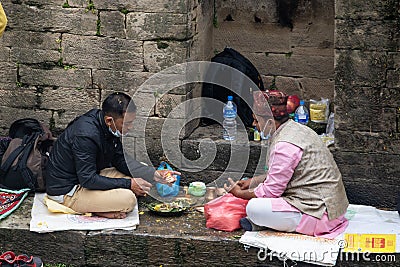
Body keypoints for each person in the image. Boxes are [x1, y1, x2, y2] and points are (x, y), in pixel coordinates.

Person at [226, 90, 349, 238]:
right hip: (333, 208)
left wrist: (240, 194)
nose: (254, 125)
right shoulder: (296, 129)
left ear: (270, 122)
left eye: (257, 121)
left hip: (320, 213)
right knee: (258, 198)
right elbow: (282, 174)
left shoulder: (285, 144)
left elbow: (271, 192)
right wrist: (252, 182)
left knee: (254, 208)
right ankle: (268, 222)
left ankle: (272, 223)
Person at [45, 92, 179, 219]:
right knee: (128, 199)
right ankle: (97, 210)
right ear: (109, 120)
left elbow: (120, 159)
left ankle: (104, 205)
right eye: (127, 123)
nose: (130, 127)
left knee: (141, 173)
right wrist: (129, 184)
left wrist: (154, 173)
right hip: (68, 191)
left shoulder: (107, 125)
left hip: (88, 176)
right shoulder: (85, 135)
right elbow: (87, 179)